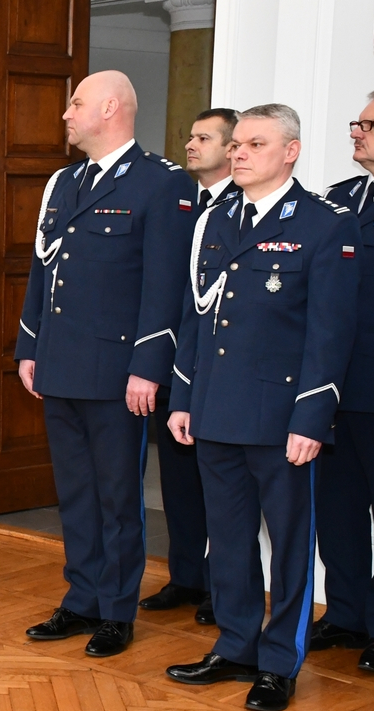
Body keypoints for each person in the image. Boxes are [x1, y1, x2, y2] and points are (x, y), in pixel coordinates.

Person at [165, 104, 361, 711]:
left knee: (290, 546)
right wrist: (183, 397)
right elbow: (196, 317)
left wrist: (312, 418)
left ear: (290, 151)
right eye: (237, 144)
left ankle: (278, 664)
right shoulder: (217, 218)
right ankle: (236, 645)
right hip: (215, 409)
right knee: (227, 541)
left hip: (282, 418)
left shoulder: (324, 224)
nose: (239, 153)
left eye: (255, 143)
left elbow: (331, 334)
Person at [17, 71, 196, 657]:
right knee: (75, 493)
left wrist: (149, 366)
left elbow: (166, 286)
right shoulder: (64, 182)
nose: (67, 114)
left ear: (111, 108)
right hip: (61, 363)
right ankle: (81, 599)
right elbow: (43, 271)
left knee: (118, 497)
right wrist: (29, 347)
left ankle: (116, 610)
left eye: (76, 103)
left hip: (119, 371)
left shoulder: (161, 182)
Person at [139, 108, 240, 626]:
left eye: (205, 137)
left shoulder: (243, 208)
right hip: (172, 362)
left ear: (231, 148)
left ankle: (222, 586)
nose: (191, 144)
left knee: (221, 487)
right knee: (178, 479)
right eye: (191, 135)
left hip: (220, 367)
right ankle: (185, 576)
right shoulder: (178, 201)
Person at [312, 87, 374, 671]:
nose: (357, 133)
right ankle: (345, 614)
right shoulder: (339, 201)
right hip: (333, 389)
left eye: (371, 124)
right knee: (337, 511)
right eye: (356, 124)